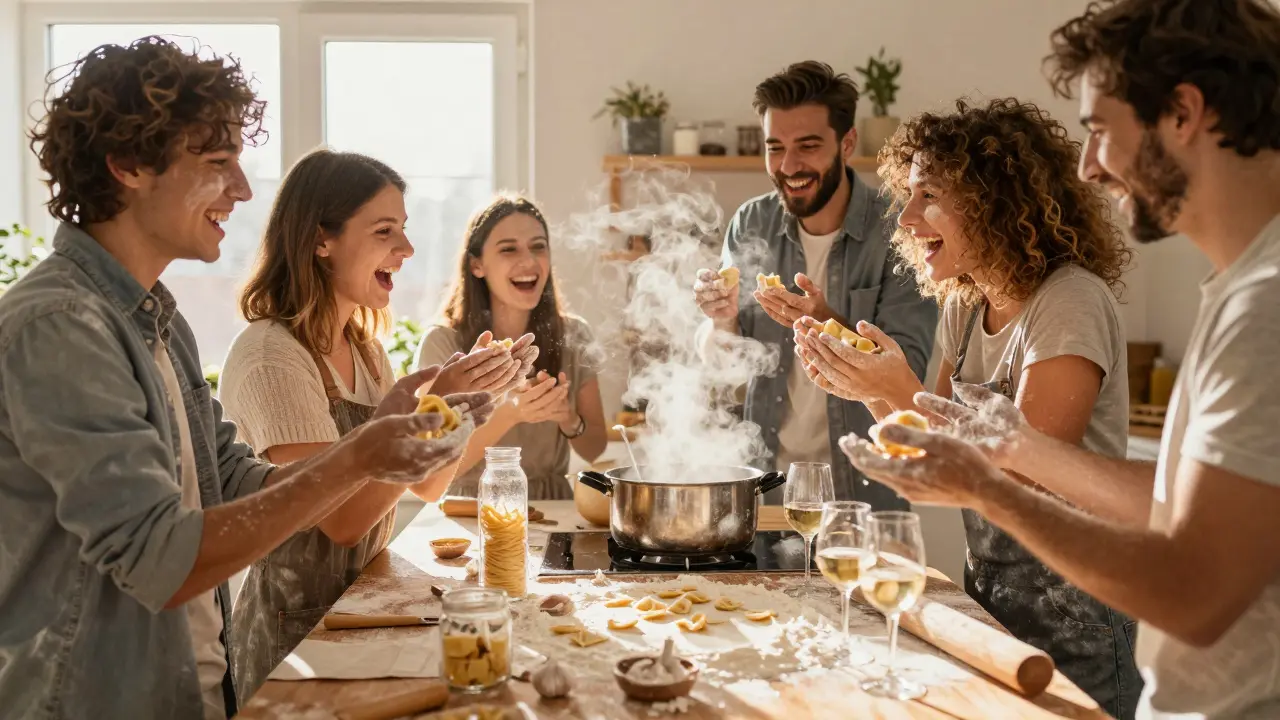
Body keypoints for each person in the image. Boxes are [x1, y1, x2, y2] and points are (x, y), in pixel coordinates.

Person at [0, 37, 489, 719]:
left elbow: (243, 487)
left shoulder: (158, 322)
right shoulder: (60, 325)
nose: (243, 188)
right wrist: (363, 450)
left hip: (193, 687)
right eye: (218, 162)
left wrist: (383, 429)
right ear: (129, 165)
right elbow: (160, 559)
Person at [841, 1, 1280, 718]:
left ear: (1183, 113)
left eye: (1100, 130)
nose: (1088, 167)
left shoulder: (1264, 304)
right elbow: (1168, 508)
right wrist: (1006, 447)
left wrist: (989, 485)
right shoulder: (1240, 290)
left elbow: (1196, 596)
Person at [794, 97, 1141, 716]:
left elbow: (1027, 471)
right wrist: (868, 388)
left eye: (928, 195)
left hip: (1080, 611)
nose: (905, 218)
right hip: (993, 596)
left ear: (996, 201)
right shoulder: (963, 304)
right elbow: (939, 455)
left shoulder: (1068, 302)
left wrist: (898, 390)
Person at [216, 148, 510, 698]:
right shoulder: (270, 356)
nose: (407, 249)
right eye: (384, 231)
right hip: (294, 634)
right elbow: (340, 521)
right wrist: (433, 408)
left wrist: (456, 412)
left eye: (404, 229)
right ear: (320, 241)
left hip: (361, 606)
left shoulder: (367, 351)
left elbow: (423, 485)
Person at [692, 60, 938, 508]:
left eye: (807, 145)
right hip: (764, 491)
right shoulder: (752, 222)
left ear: (846, 144)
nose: (788, 165)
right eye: (775, 147)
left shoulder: (898, 228)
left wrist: (825, 322)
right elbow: (725, 367)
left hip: (864, 494)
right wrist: (721, 321)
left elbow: (910, 378)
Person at [414, 193, 607, 500]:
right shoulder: (442, 343)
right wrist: (510, 413)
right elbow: (432, 467)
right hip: (472, 509)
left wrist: (567, 418)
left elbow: (596, 448)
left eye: (538, 246)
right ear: (477, 265)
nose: (528, 261)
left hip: (553, 508)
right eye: (508, 249)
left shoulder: (574, 334)